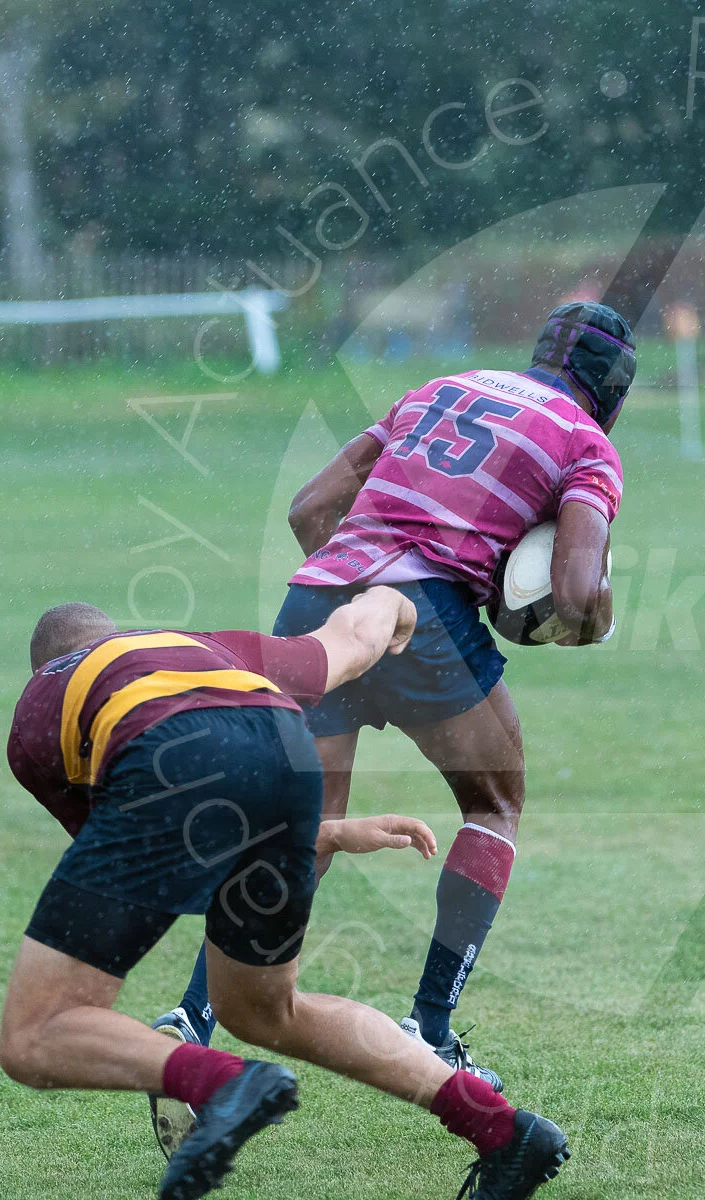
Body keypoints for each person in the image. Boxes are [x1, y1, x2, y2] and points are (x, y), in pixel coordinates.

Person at [153, 302, 633, 1098]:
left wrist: (358, 608)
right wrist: (593, 620)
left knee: (303, 830)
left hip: (317, 601)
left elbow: (310, 508)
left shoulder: (437, 389)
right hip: (427, 614)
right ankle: (432, 1029)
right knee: (495, 804)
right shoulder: (588, 443)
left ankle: (192, 1017)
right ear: (613, 390)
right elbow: (578, 592)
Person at [1, 592, 571, 1200]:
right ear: (121, 634)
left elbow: (158, 855)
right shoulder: (206, 648)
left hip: (162, 759)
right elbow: (347, 645)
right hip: (287, 748)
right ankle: (502, 1130)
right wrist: (392, 604)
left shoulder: (39, 709)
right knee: (263, 1009)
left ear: (43, 666)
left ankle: (219, 1082)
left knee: (37, 1033)